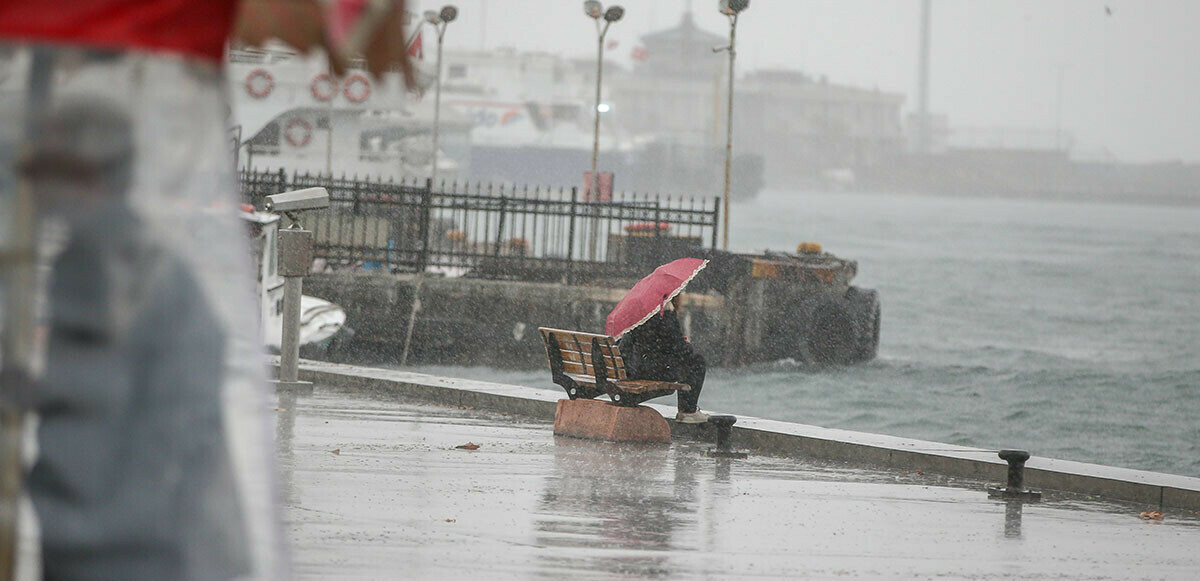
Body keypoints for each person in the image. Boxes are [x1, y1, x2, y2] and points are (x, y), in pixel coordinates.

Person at [20, 98, 248, 580]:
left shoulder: (127, 269)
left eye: (50, 176)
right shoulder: (88, 259)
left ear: (88, 179)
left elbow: (137, 408)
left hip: (127, 540)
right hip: (93, 528)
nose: (38, 193)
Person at [617, 294, 709, 423]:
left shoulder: (641, 312)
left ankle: (687, 411)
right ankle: (688, 411)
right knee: (696, 361)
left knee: (686, 361)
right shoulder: (664, 311)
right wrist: (687, 344)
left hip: (633, 368)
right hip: (650, 371)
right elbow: (679, 349)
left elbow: (630, 344)